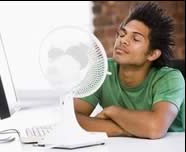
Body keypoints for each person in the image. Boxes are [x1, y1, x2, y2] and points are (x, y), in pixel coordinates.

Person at [74, 2, 185, 139]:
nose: (123, 40)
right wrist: (120, 129)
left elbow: (155, 128)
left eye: (135, 38)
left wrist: (112, 112)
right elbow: (71, 119)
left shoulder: (170, 79)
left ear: (152, 54)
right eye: (121, 34)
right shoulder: (102, 70)